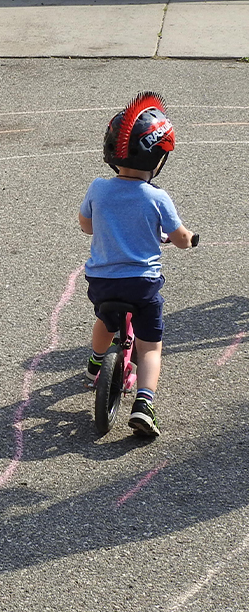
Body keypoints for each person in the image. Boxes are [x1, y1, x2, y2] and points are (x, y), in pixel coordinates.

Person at [80, 92, 194, 438]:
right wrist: (189, 240)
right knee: (150, 347)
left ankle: (95, 362)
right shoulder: (157, 197)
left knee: (105, 318)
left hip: (102, 281)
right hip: (142, 284)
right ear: (158, 158)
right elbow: (179, 237)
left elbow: (86, 225)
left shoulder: (98, 189)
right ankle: (145, 404)